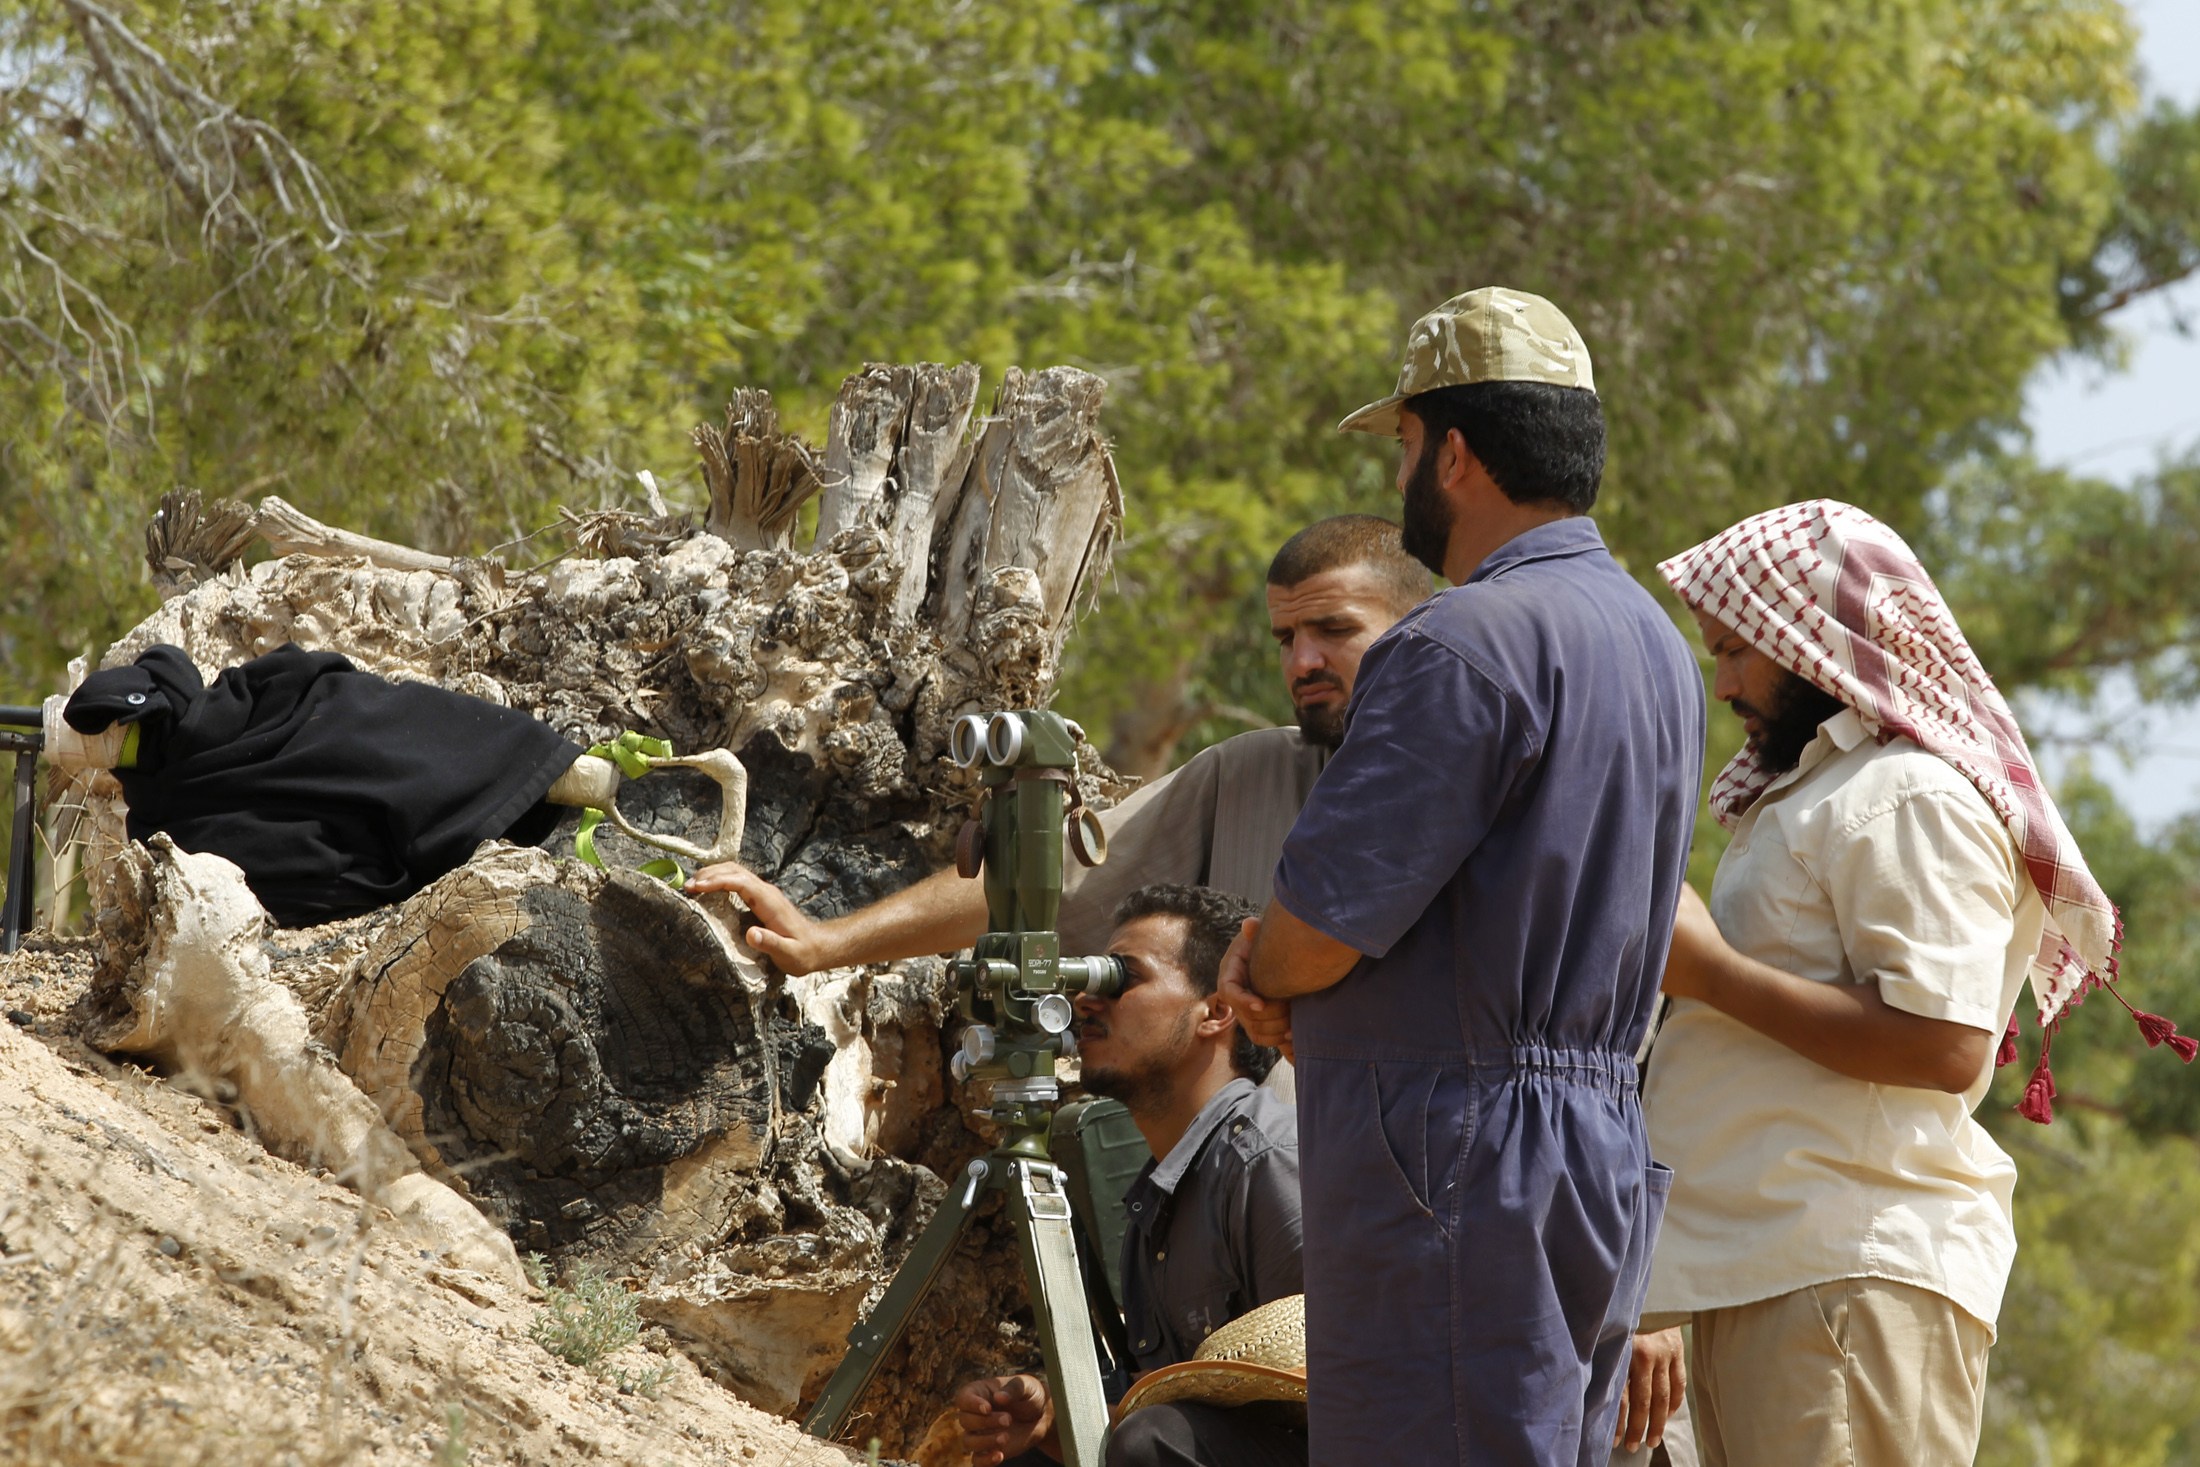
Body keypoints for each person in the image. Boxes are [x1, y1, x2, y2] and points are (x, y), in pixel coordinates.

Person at [1220, 287, 1705, 1467]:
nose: (1400, 482)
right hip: (1590, 1143)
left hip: (1456, 1148)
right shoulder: (1655, 644)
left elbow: (1321, 930)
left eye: (1402, 448)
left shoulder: (1457, 641)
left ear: (1454, 450)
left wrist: (1257, 968)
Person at [1642, 500, 2195, 1466]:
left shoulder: (1908, 794)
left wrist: (1713, 973)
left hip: (1849, 1269)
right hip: (1775, 1267)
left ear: (1812, 637)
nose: (1723, 681)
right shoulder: (1821, 794)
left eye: (1739, 649)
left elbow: (1945, 1045)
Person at [686, 515, 1431, 966]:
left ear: (1423, 630)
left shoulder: (1478, 778)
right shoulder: (1252, 772)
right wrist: (827, 943)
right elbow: (1038, 879)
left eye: (1334, 630)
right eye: (1285, 636)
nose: (1302, 661)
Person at [954, 883, 1305, 1467]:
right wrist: (1048, 1421)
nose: (1088, 1002)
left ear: (1217, 1011)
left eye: (1122, 979)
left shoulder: (1265, 1164)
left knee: (1153, 1441)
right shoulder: (1160, 1192)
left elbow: (1361, 1386)